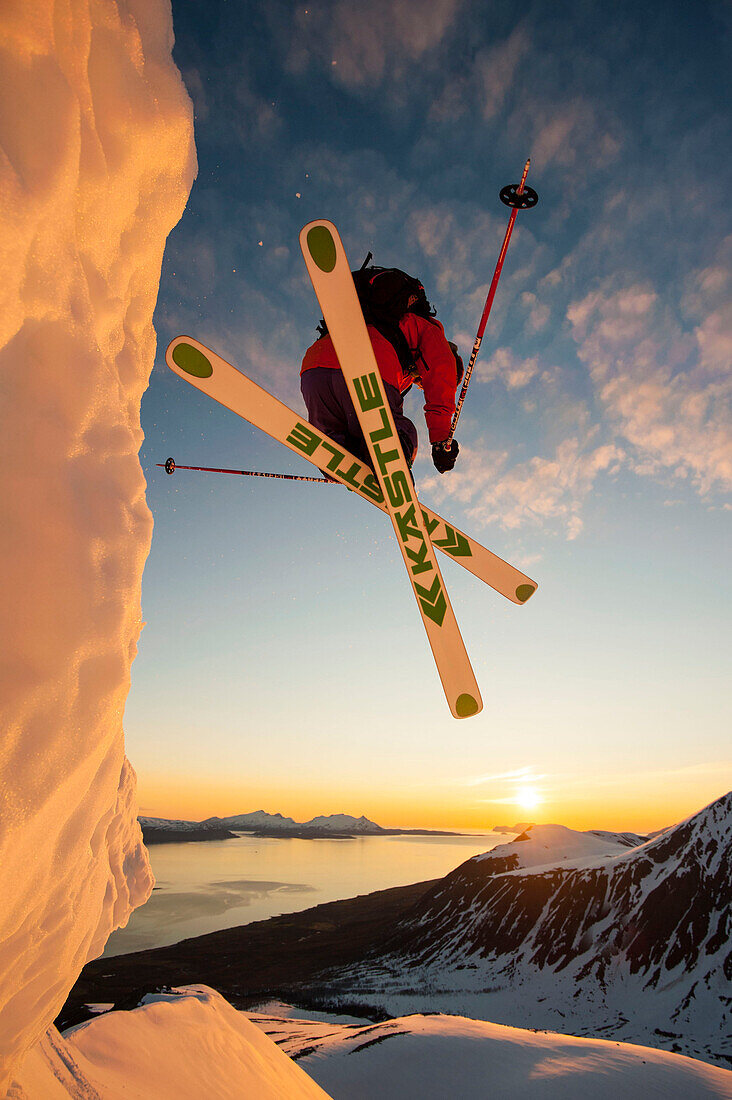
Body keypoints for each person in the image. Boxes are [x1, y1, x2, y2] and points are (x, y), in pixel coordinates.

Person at [300, 267, 462, 476]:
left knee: (339, 438)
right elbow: (441, 371)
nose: (421, 385)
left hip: (315, 368)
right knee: (398, 432)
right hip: (369, 360)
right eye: (422, 382)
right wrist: (441, 438)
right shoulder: (426, 330)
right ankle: (390, 461)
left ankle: (345, 459)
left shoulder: (393, 339)